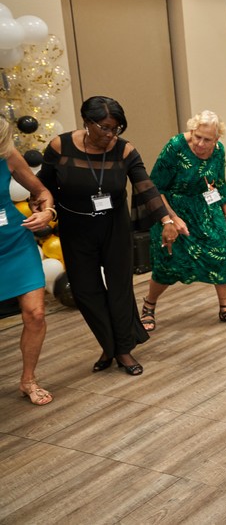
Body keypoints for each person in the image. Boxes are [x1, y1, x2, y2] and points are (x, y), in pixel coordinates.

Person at [39, 97, 177, 376]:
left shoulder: (124, 150)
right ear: (87, 122)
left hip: (114, 226)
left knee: (119, 288)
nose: (111, 134)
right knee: (85, 291)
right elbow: (44, 186)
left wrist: (167, 219)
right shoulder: (60, 146)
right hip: (75, 228)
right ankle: (109, 344)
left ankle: (123, 350)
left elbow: (145, 186)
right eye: (105, 127)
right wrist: (45, 210)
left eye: (116, 128)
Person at [142, 110, 226, 331]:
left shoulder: (219, 150)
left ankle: (225, 308)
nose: (200, 143)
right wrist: (172, 219)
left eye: (207, 139)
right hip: (172, 209)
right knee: (169, 264)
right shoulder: (175, 147)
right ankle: (149, 305)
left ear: (217, 139)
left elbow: (218, 184)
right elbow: (156, 188)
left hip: (206, 209)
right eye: (197, 136)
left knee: (220, 255)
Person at [1, 118, 57, 404]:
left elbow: (42, 192)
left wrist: (47, 213)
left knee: (35, 314)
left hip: (15, 243)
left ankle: (28, 380)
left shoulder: (7, 155)